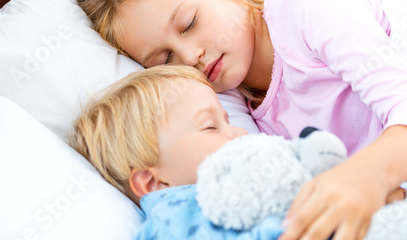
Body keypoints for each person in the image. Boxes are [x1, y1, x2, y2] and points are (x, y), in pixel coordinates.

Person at [70, 0, 407, 240]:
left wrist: (366, 177)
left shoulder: (305, 11)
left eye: (189, 23)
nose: (190, 58)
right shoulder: (222, 105)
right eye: (164, 59)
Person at [69, 65, 284, 239]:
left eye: (227, 120)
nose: (242, 131)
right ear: (154, 183)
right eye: (210, 126)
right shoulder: (177, 222)